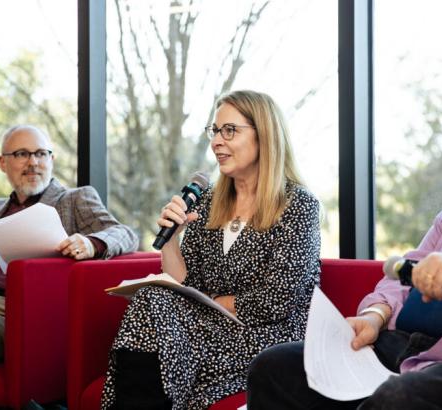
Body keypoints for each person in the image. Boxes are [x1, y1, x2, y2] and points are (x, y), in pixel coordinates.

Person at [247, 57, 442, 410]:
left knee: (398, 399)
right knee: (275, 367)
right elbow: (406, 271)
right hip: (394, 345)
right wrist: (374, 317)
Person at [100, 90, 321, 410]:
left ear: (265, 136)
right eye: (214, 131)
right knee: (153, 298)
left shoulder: (298, 205)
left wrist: (216, 303)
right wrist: (173, 238)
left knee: (158, 322)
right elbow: (186, 285)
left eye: (229, 130)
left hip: (270, 337)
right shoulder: (208, 203)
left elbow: (277, 299)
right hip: (210, 326)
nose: (216, 141)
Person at [0, 124, 139, 369]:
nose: (33, 162)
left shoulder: (74, 199)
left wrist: (91, 243)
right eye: (22, 154)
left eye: (41, 153)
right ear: (3, 163)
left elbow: (125, 233)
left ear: (51, 159)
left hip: (8, 311)